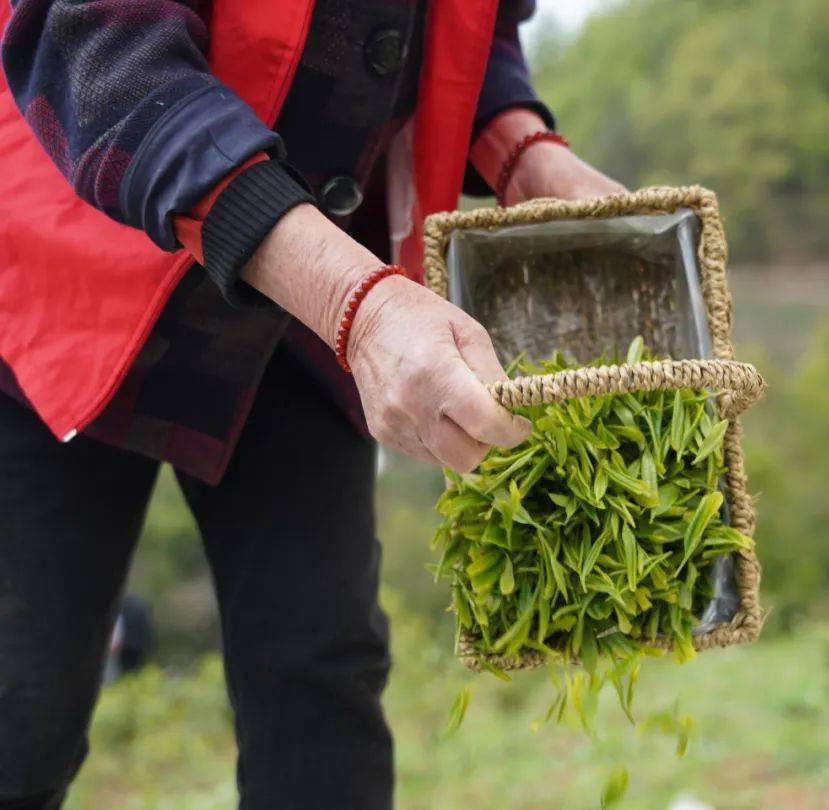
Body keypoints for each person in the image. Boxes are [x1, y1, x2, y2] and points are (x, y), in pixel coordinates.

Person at [0, 1, 622, 807]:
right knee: (21, 711)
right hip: (72, 281)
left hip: (297, 325)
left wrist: (519, 149)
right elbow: (103, 57)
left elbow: (473, 29)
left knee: (321, 683)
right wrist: (360, 308)